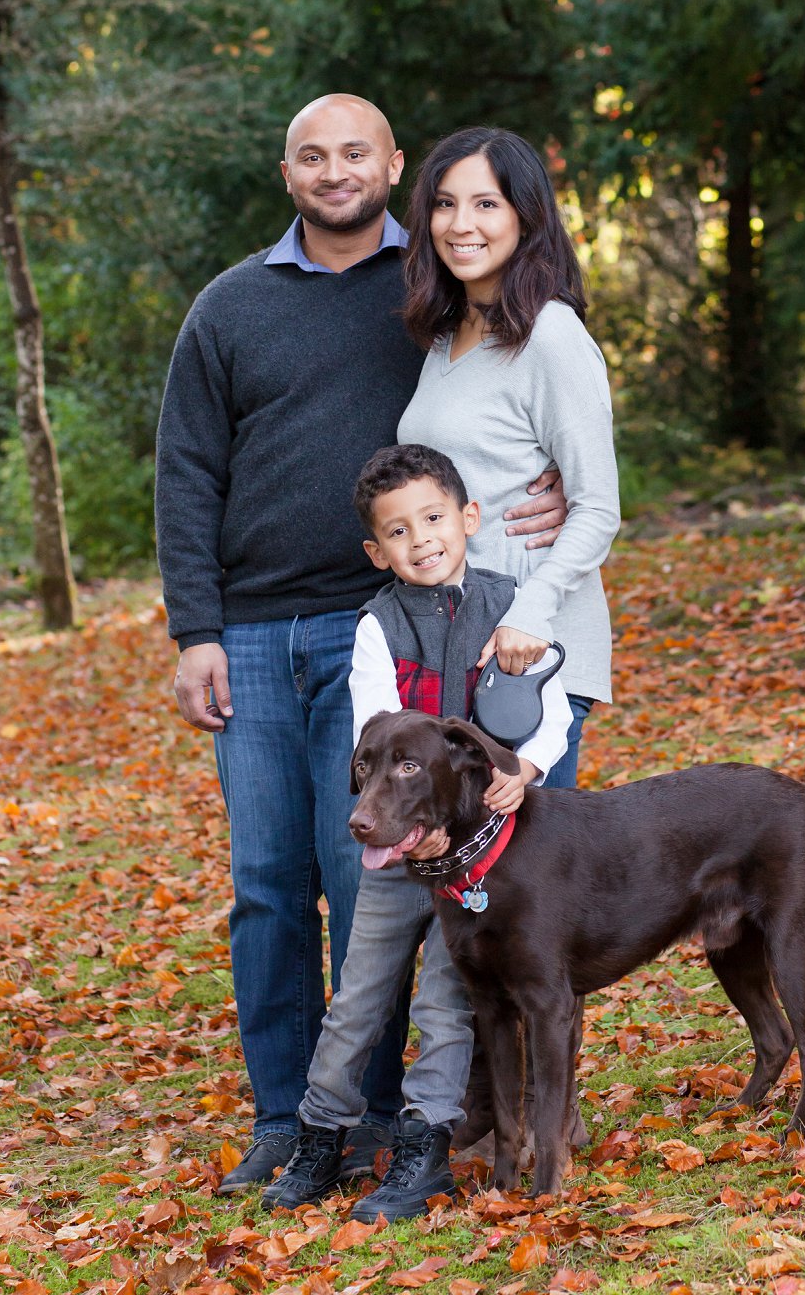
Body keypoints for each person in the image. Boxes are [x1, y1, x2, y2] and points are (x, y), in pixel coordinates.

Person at [154, 94, 568, 1192]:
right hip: (248, 631)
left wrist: (561, 477)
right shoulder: (230, 305)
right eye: (310, 155)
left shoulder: (428, 289)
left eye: (356, 152)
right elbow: (186, 470)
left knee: (374, 876)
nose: (334, 171)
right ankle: (289, 1116)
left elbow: (520, 375)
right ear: (284, 169)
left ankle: (391, 1116)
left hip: (381, 631)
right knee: (268, 883)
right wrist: (195, 627)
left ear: (392, 165)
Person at [261, 442, 569, 1222]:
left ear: (467, 518)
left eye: (433, 518)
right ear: (376, 550)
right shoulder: (376, 627)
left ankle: (426, 1143)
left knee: (445, 1004)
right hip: (398, 849)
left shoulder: (511, 605)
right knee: (358, 998)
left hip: (477, 858)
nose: (420, 539)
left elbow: (553, 711)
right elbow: (373, 731)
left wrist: (523, 770)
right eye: (396, 532)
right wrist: (403, 818)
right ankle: (320, 1138)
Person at [398, 126, 620, 786]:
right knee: (467, 879)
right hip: (454, 647)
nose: (460, 224)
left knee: (530, 879)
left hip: (525, 656)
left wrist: (533, 609)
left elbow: (597, 506)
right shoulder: (448, 336)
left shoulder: (550, 335)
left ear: (526, 217)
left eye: (485, 203)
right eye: (444, 204)